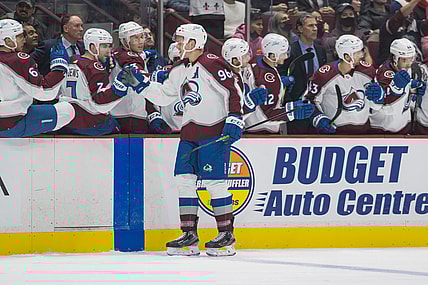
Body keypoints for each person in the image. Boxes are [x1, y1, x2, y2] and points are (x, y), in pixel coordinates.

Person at [124, 24, 244, 256]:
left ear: (193, 42)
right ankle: (189, 235)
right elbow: (165, 95)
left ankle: (226, 236)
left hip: (215, 132)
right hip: (189, 133)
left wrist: (235, 118)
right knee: (184, 180)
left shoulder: (212, 62)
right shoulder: (179, 69)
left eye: (181, 40)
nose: (177, 43)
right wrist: (141, 86)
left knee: (215, 183)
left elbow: (232, 90)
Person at [0, 19, 74, 137]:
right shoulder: (17, 60)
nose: (23, 40)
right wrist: (60, 67)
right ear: (8, 41)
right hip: (12, 123)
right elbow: (45, 92)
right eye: (19, 37)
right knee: (67, 110)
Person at [58, 28, 130, 136]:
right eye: (104, 46)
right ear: (92, 47)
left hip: (66, 121)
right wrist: (120, 88)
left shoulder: (70, 61)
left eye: (109, 46)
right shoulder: (96, 68)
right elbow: (100, 101)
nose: (108, 50)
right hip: (90, 123)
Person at [242, 33, 314, 134]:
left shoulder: (256, 63)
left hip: (250, 126)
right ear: (272, 55)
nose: (286, 57)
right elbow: (268, 115)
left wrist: (280, 83)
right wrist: (292, 111)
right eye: (283, 53)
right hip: (262, 131)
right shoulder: (269, 79)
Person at [305, 34, 376, 135]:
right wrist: (319, 118)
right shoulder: (324, 75)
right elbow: (308, 99)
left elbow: (378, 102)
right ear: (346, 57)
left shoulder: (368, 71)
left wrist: (379, 96)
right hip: (335, 133)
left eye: (361, 51)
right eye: (357, 53)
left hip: (364, 132)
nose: (361, 56)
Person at [110, 21, 171, 134]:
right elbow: (137, 75)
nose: (140, 41)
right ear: (124, 41)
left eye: (141, 37)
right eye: (135, 38)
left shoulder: (133, 55)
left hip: (133, 114)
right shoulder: (128, 56)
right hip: (126, 117)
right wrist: (157, 76)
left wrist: (146, 54)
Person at [280, 13, 327, 134]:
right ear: (300, 29)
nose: (315, 29)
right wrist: (290, 104)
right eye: (310, 26)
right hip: (297, 106)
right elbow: (283, 77)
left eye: (316, 25)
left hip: (317, 105)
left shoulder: (321, 50)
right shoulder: (290, 50)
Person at [368, 38, 426, 134]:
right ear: (395, 58)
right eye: (404, 60)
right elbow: (387, 109)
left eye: (411, 59)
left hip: (403, 125)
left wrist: (413, 89)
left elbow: (406, 98)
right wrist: (396, 89)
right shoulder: (385, 74)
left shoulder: (410, 68)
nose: (408, 64)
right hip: (384, 129)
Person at [377, 0, 428, 66]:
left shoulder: (415, 24)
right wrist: (415, 1)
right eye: (409, 10)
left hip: (417, 66)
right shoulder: (388, 27)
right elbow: (399, 16)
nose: (411, 12)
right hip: (392, 68)